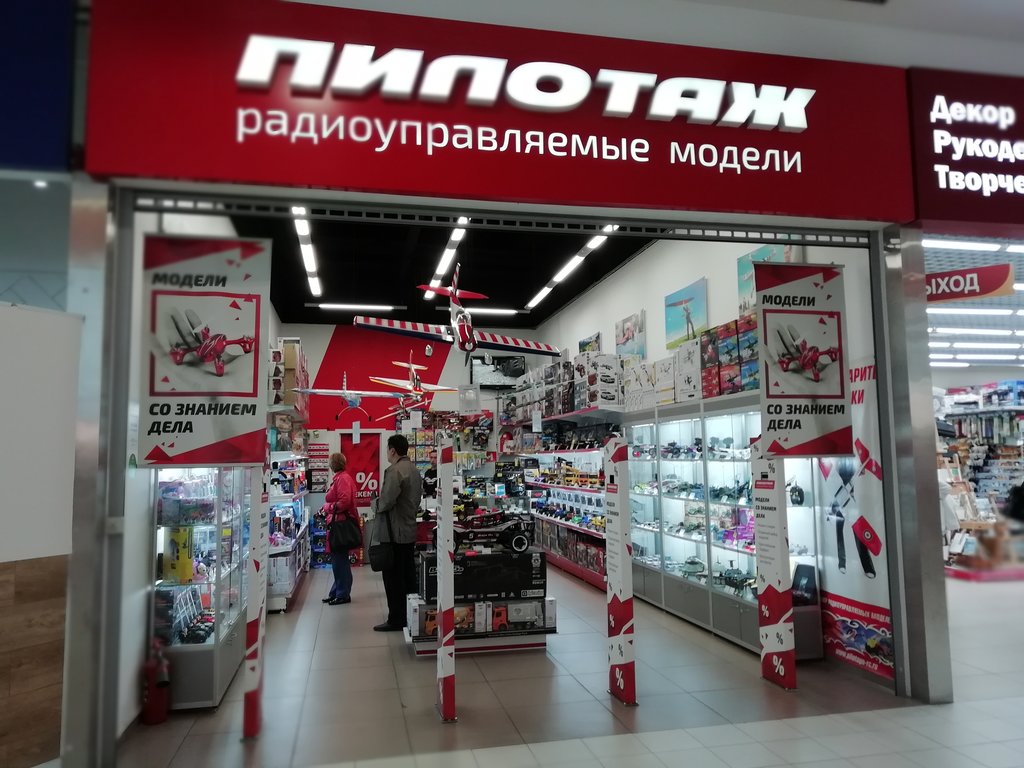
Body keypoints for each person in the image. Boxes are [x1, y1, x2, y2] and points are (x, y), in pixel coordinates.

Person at [373, 434, 421, 631]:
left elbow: (386, 502)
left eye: (387, 449)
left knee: (393, 577)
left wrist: (375, 504)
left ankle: (396, 618)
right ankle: (412, 615)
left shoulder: (395, 471)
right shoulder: (414, 470)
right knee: (408, 576)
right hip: (409, 529)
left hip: (395, 532)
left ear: (392, 450)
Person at [323, 452, 358, 606]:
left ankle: (342, 594)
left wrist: (328, 507)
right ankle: (337, 592)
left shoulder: (342, 479)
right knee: (338, 559)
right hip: (338, 522)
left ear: (332, 464)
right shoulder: (341, 478)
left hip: (341, 524)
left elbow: (344, 501)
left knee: (339, 560)